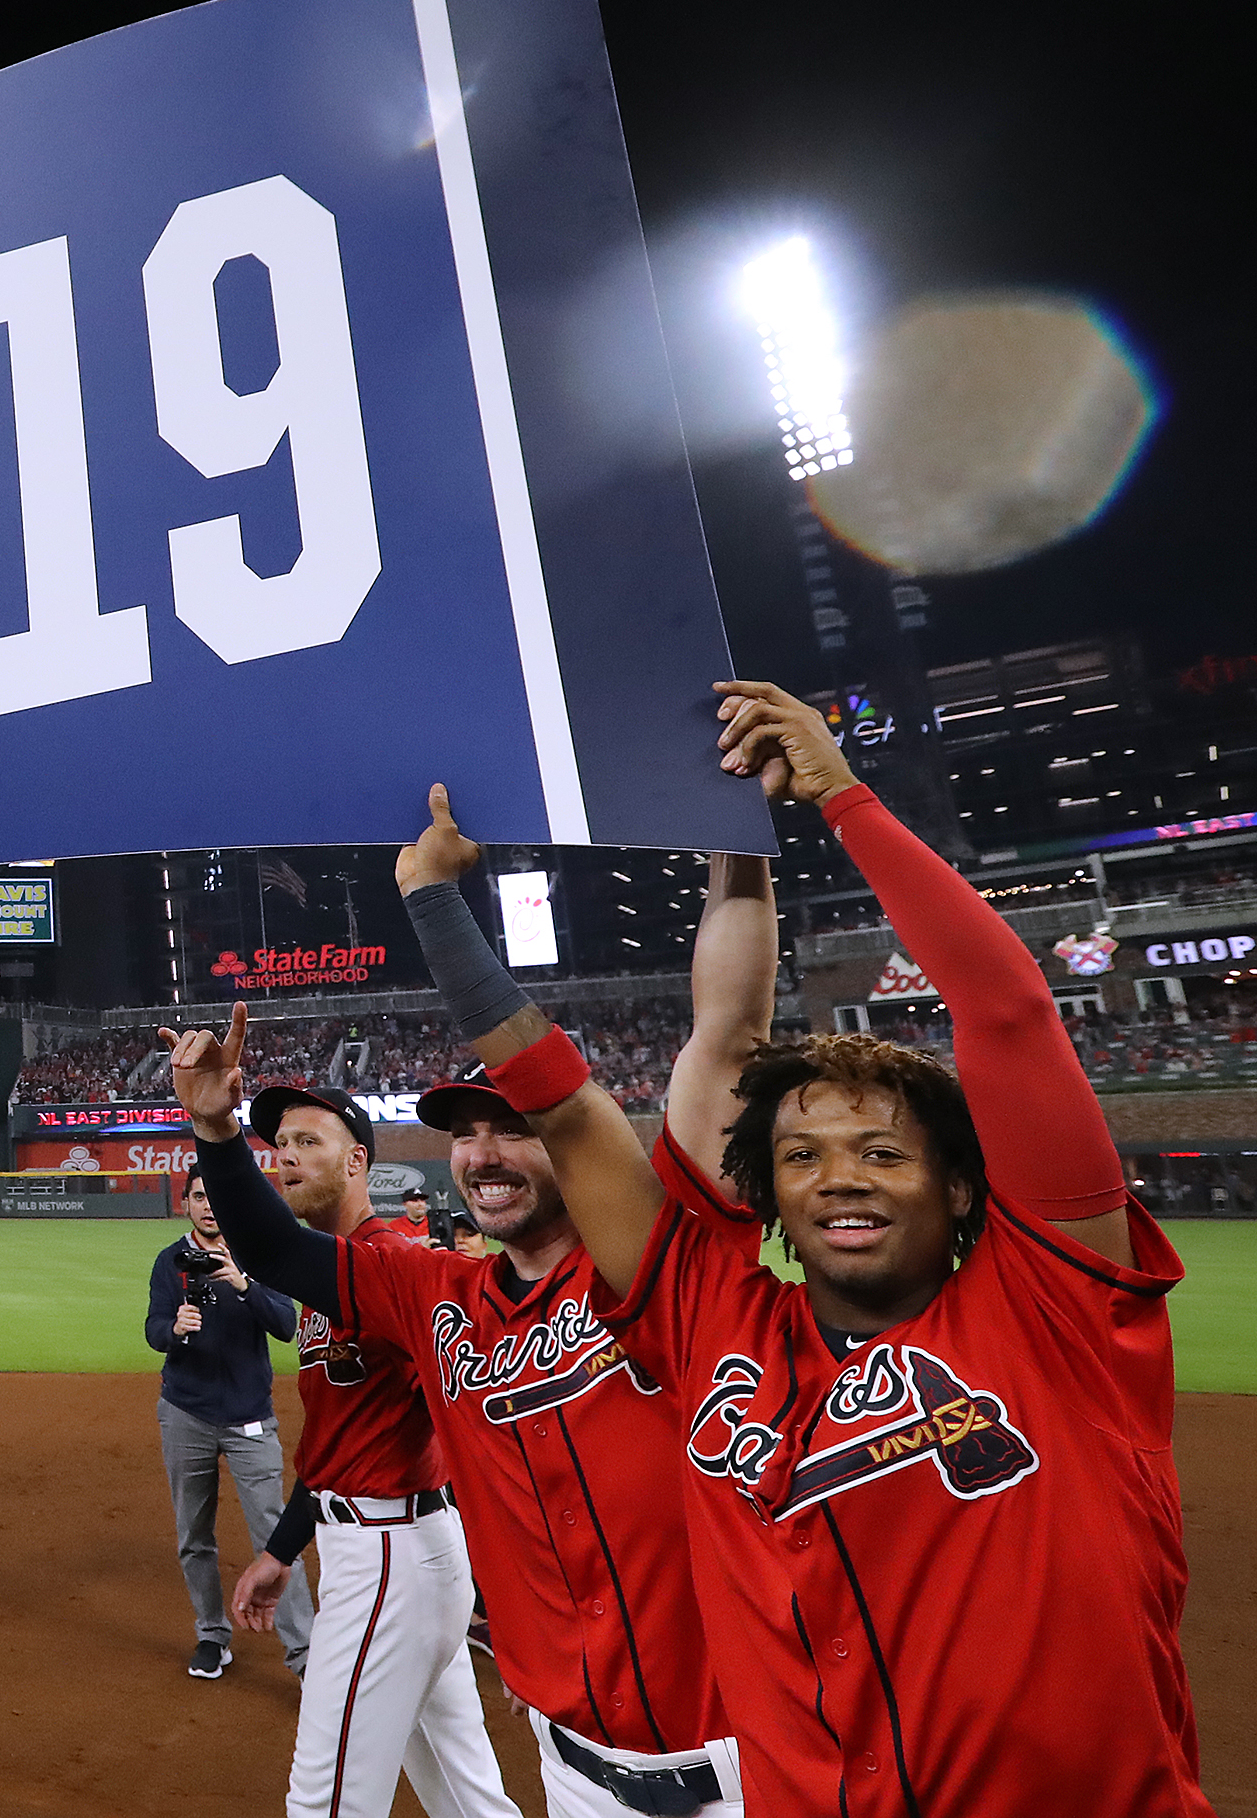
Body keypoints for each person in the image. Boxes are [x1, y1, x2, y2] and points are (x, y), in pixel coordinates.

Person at [406, 683, 1208, 1815]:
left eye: (881, 1151)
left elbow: (1011, 1016)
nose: (837, 1172)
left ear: (960, 1183)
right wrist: (433, 902)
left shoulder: (1056, 1311)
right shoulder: (707, 1317)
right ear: (768, 1196)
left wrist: (839, 796)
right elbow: (573, 1111)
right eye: (802, 1155)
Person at [178, 849, 778, 1818]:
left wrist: (729, 840)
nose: (482, 1153)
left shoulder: (664, 1271)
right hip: (573, 1765)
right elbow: (275, 1249)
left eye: (510, 1127)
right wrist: (213, 1132)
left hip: (745, 1766)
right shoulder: (429, 1290)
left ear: (571, 1148)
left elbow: (730, 1034)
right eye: (462, 1133)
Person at [215, 1087, 520, 1818]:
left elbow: (475, 1433)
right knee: (468, 1799)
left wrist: (511, 1598)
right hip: (396, 1550)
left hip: (390, 1557)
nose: (284, 1155)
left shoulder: (391, 1265)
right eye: (278, 1142)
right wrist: (282, 1550)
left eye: (307, 1141)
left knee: (322, 1804)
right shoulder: (332, 1277)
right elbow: (337, 1446)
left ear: (357, 1160)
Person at [146, 1168, 310, 1680]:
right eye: (198, 1196)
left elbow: (286, 1325)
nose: (207, 1206)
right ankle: (212, 1635)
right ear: (185, 1204)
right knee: (193, 1533)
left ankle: (306, 1655)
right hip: (184, 1413)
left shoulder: (255, 1257)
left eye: (215, 1197)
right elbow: (153, 1329)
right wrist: (172, 1328)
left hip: (248, 1418)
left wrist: (243, 1285)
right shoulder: (169, 1261)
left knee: (275, 1534)